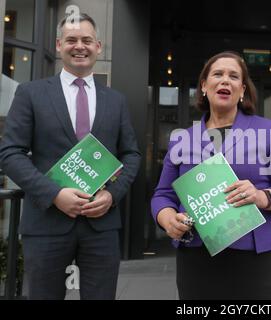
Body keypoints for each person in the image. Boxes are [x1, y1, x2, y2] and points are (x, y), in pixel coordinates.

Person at [0, 13, 141, 300]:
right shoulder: (31, 93)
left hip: (101, 226)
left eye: (87, 40)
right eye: (72, 40)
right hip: (46, 223)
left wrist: (112, 195)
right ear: (59, 44)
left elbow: (131, 154)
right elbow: (9, 153)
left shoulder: (116, 100)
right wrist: (54, 194)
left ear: (98, 46)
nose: (80, 46)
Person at [151, 51, 271, 299]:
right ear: (203, 86)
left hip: (254, 256)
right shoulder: (182, 139)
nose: (225, 80)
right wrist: (167, 219)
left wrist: (262, 196)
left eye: (233, 76)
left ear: (242, 90)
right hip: (196, 256)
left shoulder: (266, 130)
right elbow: (162, 194)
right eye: (217, 74)